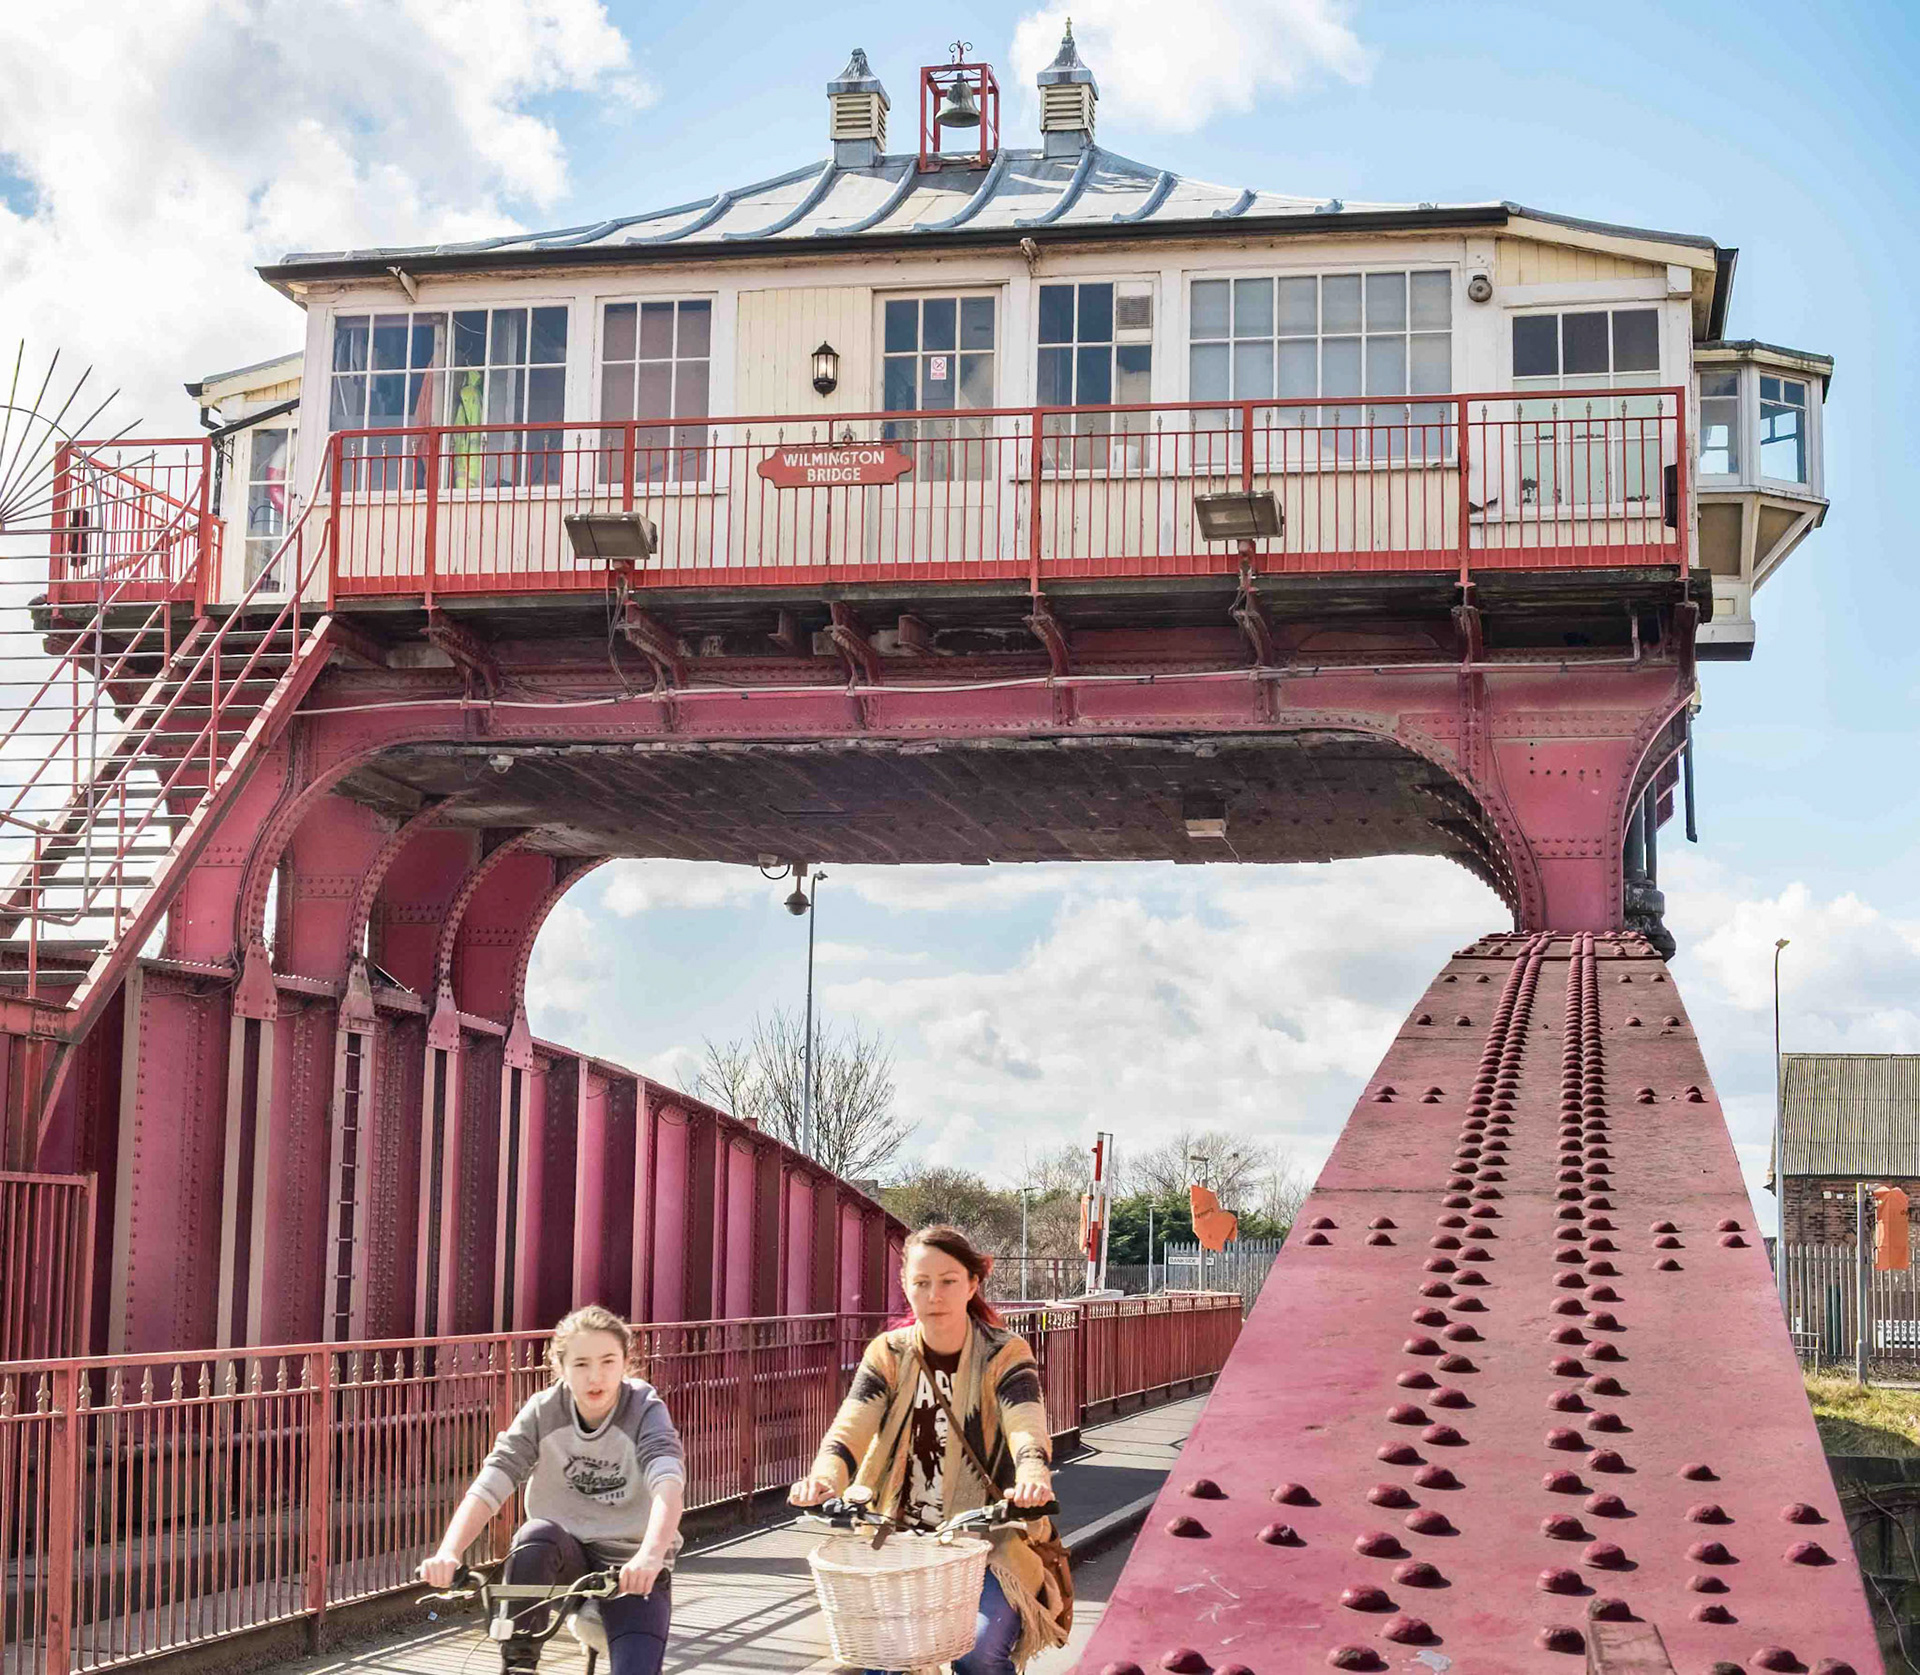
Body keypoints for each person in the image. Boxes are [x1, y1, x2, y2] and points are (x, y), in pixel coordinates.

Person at [791, 1226, 1071, 1675]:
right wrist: (825, 1477)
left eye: (948, 1281)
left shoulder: (1004, 1352)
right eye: (921, 1283)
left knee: (977, 1652)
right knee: (881, 1657)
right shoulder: (888, 1352)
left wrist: (1032, 1473)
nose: (934, 1294)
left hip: (986, 1542)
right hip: (899, 1543)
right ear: (905, 1285)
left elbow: (1025, 1419)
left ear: (972, 1284)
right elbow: (853, 1424)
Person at [418, 1305, 685, 1675]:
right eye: (581, 1364)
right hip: (565, 1563)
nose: (596, 1377)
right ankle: (520, 1663)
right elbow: (495, 1477)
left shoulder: (643, 1407)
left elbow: (667, 1480)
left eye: (608, 1361)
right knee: (534, 1535)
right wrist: (449, 1551)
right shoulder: (543, 1410)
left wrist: (651, 1557)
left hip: (631, 1567)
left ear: (626, 1362)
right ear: (560, 1368)